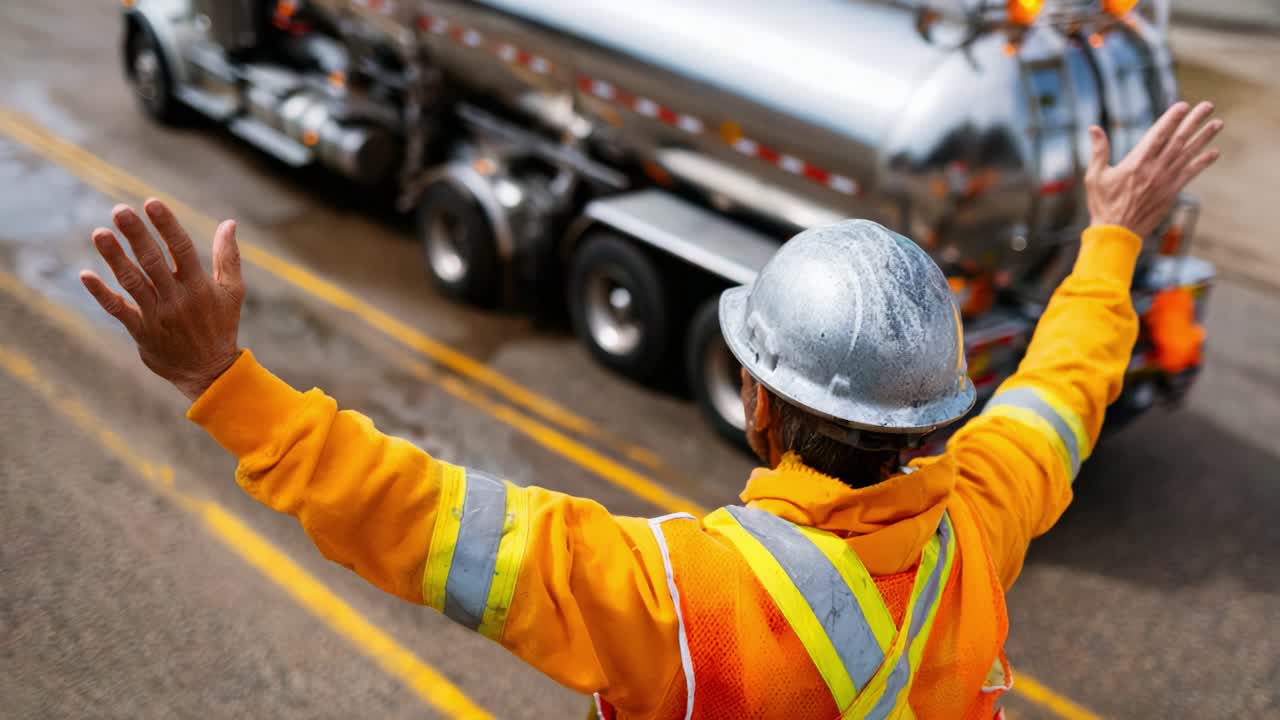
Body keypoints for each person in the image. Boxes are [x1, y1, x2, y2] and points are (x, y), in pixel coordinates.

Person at [79, 102, 1222, 719]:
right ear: (933, 423)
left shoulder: (676, 600)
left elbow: (418, 517)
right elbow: (1062, 390)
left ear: (758, 407)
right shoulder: (978, 526)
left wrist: (225, 384)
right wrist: (1110, 233)